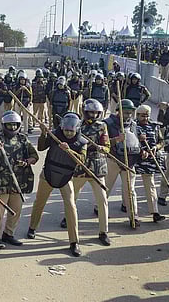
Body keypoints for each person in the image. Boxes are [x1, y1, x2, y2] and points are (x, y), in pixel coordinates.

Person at [27, 113, 87, 257]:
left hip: (66, 177)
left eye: (71, 131)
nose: (68, 133)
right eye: (66, 130)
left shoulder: (82, 142)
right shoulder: (55, 135)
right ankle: (32, 227)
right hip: (48, 173)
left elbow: (81, 161)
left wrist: (69, 150)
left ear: (77, 129)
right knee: (39, 202)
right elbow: (41, 147)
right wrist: (43, 134)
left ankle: (74, 242)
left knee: (71, 206)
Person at [61, 99, 111, 246]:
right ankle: (67, 217)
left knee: (102, 200)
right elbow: (69, 140)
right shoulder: (77, 124)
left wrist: (103, 149)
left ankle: (103, 231)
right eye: (91, 112)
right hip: (79, 166)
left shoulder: (102, 126)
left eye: (96, 112)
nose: (94, 115)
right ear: (85, 111)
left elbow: (107, 146)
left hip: (97, 167)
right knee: (72, 199)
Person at [0, 111, 38, 249]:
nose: (13, 128)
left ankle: (9, 233)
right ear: (3, 125)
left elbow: (35, 156)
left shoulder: (23, 139)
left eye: (15, 125)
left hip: (18, 180)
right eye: (9, 125)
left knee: (16, 209)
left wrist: (26, 162)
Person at [103, 99, 146, 227]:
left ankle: (133, 216)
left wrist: (142, 150)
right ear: (118, 111)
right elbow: (101, 143)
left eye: (130, 112)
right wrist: (116, 139)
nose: (127, 115)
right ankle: (99, 207)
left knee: (130, 190)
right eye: (125, 112)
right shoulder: (107, 124)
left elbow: (135, 142)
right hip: (113, 160)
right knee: (106, 187)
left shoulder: (133, 125)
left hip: (130, 162)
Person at [134, 105, 166, 222]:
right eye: (143, 116)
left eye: (147, 115)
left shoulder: (154, 126)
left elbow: (161, 142)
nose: (145, 118)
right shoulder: (132, 126)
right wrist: (140, 149)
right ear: (137, 115)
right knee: (129, 187)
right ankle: (131, 212)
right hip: (135, 160)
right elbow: (129, 142)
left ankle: (155, 212)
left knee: (151, 185)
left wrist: (155, 148)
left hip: (150, 160)